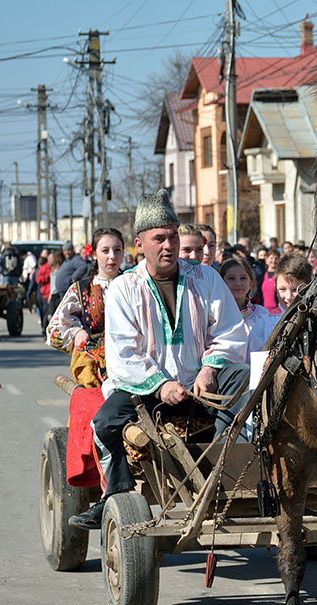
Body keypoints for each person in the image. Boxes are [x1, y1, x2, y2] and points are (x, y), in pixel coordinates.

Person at [70, 189, 248, 531]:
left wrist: (211, 367)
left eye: (172, 237)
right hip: (144, 390)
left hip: (201, 387)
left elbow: (229, 331)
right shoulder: (125, 287)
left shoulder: (205, 278)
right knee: (104, 423)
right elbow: (123, 353)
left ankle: (224, 463)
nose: (168, 245)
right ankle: (116, 495)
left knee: (242, 376)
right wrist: (161, 384)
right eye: (158, 239)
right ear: (140, 244)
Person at [47, 228, 125, 387]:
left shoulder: (135, 285)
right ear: (94, 254)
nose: (112, 256)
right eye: (105, 250)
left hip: (132, 366)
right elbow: (53, 331)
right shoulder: (81, 289)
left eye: (117, 250)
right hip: (96, 373)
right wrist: (76, 332)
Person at [218, 257, 270, 364]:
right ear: (221, 282)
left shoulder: (262, 315)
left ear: (251, 283)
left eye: (243, 278)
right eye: (231, 278)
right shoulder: (214, 315)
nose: (238, 283)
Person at [34, 255, 52, 336]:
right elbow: (38, 279)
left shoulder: (52, 267)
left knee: (48, 313)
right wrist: (47, 277)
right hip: (46, 293)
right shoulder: (45, 268)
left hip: (50, 293)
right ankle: (45, 330)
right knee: (46, 313)